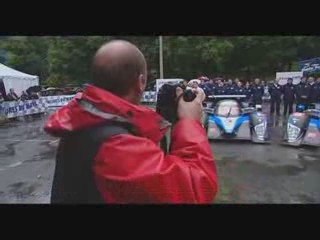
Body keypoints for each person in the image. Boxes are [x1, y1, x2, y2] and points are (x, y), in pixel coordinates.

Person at [44, 40, 218, 204]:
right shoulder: (114, 144)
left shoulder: (84, 120)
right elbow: (196, 189)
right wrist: (190, 122)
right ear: (141, 82)